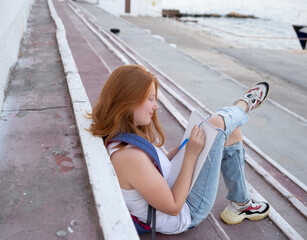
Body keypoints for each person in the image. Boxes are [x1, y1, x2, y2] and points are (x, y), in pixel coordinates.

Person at [88, 65, 270, 235]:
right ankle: (244, 104)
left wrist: (179, 151)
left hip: (173, 187)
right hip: (186, 211)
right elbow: (174, 206)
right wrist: (190, 155)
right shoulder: (129, 157)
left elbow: (148, 173)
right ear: (128, 101)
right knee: (217, 124)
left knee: (229, 131)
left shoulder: (120, 139)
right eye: (150, 99)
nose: (155, 106)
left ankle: (240, 203)